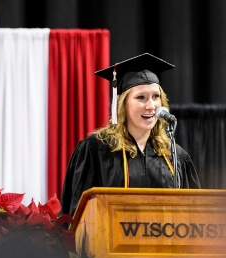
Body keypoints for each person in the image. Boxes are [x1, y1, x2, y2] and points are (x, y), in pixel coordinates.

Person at [60, 53, 201, 216]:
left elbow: (194, 215)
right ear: (122, 104)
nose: (151, 106)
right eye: (141, 97)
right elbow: (76, 215)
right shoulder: (95, 150)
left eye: (156, 97)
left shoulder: (175, 156)